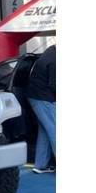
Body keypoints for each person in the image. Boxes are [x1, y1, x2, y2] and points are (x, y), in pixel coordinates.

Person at [27, 45, 56, 174]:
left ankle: (40, 165)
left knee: (45, 131)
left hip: (35, 96)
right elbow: (54, 84)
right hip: (43, 98)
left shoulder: (50, 51)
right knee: (55, 130)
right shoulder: (55, 59)